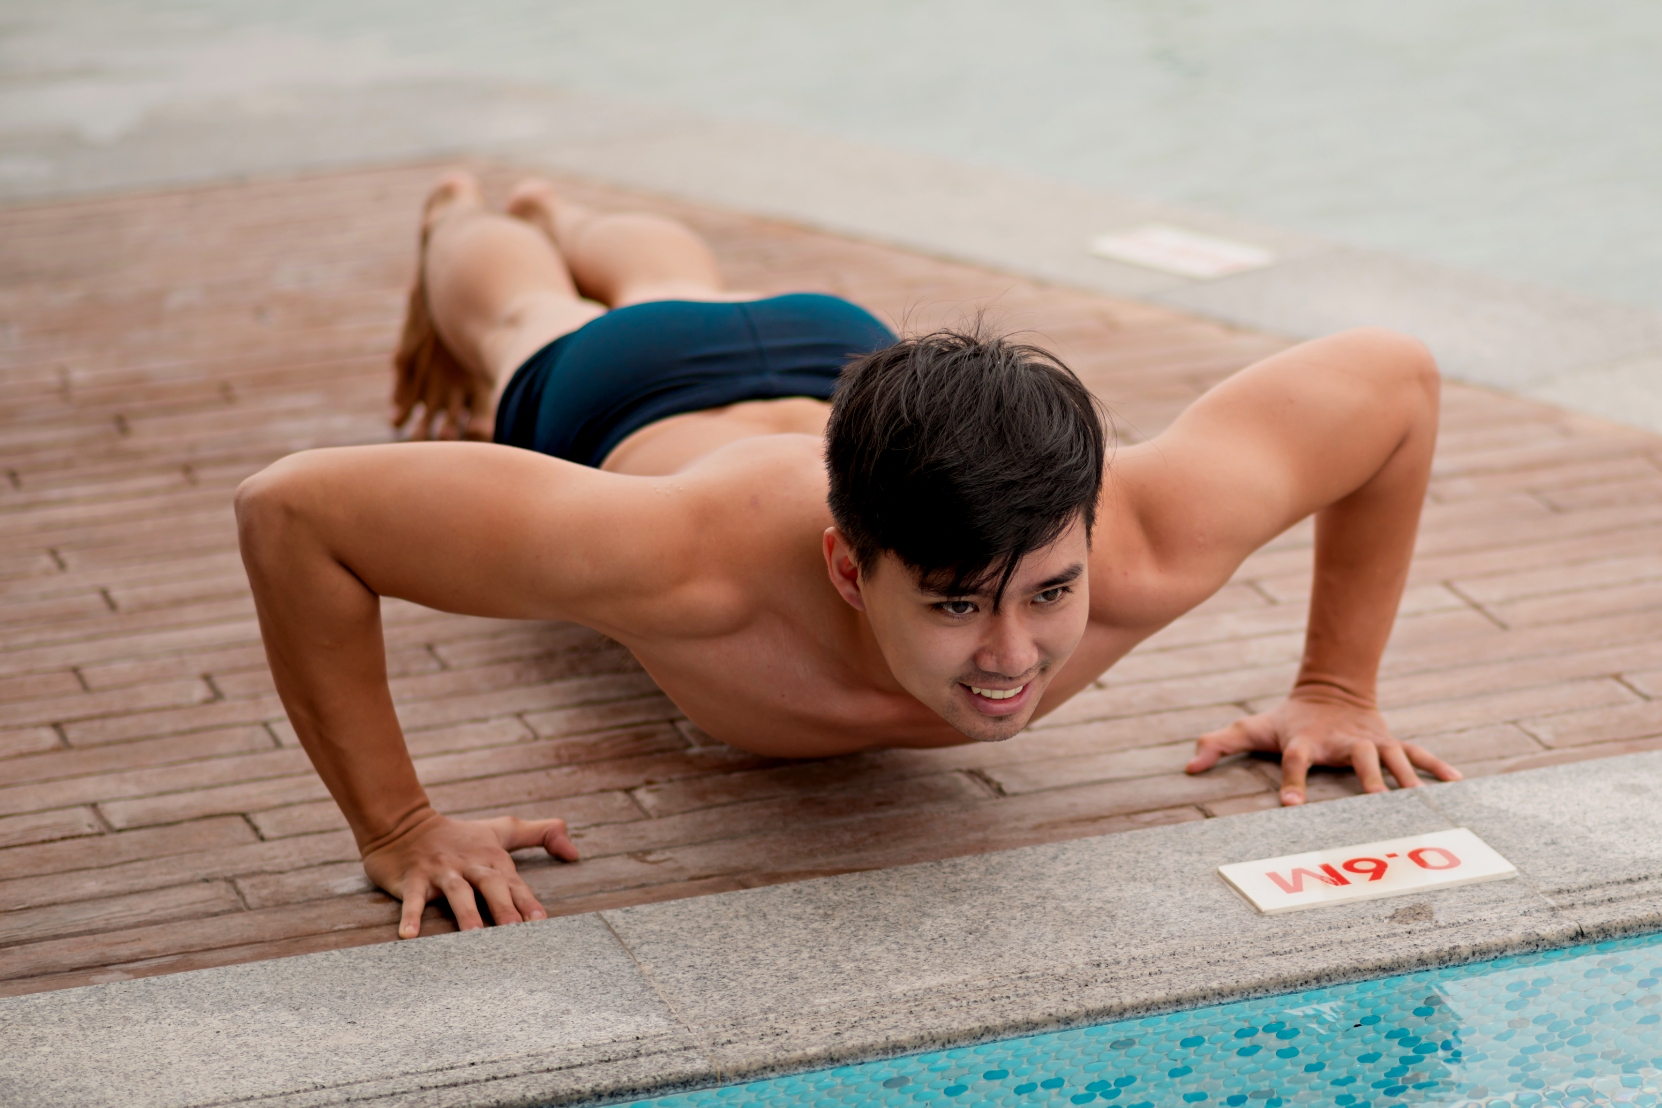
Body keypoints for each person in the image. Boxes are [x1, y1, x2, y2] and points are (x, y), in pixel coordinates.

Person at [236, 174, 1460, 940]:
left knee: (671, 275)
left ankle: (567, 210)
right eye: (951, 606)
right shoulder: (676, 561)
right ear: (842, 568)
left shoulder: (1146, 534)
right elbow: (295, 512)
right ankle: (467, 212)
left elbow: (1393, 376)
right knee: (528, 324)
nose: (1010, 657)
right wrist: (396, 824)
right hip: (630, 403)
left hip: (855, 372)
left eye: (1050, 593)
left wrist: (1337, 688)